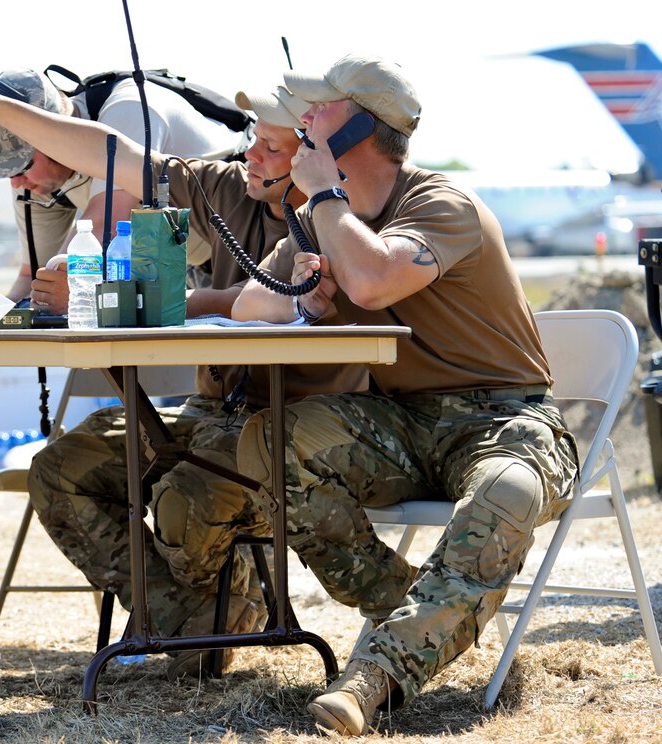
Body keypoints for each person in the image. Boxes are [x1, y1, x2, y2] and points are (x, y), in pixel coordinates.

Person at [0, 76, 366, 678]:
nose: (249, 154)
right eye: (253, 142)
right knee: (61, 470)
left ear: (315, 158)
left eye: (270, 147)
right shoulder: (226, 187)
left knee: (186, 492)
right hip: (209, 411)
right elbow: (112, 155)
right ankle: (188, 622)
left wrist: (158, 299)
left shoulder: (343, 215)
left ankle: (209, 624)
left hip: (288, 428)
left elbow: (265, 299)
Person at [229, 56, 580, 736]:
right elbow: (248, 306)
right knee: (270, 442)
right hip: (404, 421)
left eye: (316, 112)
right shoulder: (321, 220)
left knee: (507, 492)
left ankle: (377, 678)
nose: (299, 122)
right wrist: (303, 295)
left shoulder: (440, 204)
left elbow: (375, 280)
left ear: (363, 125)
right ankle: (422, 610)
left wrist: (325, 203)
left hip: (505, 418)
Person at [0, 68, 250, 311]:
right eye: (5, 169)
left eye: (20, 165)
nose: (14, 182)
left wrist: (51, 297)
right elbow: (34, 277)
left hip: (247, 242)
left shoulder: (130, 109)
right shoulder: (35, 179)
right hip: (183, 261)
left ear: (49, 138)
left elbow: (103, 230)